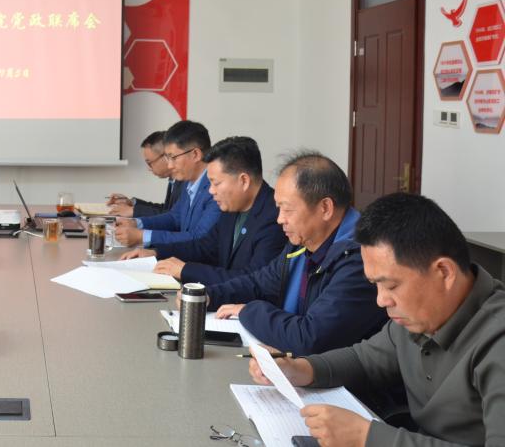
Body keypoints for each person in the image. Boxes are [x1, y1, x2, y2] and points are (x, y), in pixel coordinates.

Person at [249, 193, 505, 447]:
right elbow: (364, 360)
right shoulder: (419, 316)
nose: (381, 301)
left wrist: (366, 437)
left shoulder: (496, 338)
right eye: (375, 285)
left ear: (444, 272)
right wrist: (301, 369)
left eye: (391, 286)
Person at [206, 151, 387, 356]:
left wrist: (248, 311)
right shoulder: (302, 243)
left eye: (287, 210)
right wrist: (208, 296)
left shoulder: (360, 259)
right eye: (278, 208)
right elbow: (259, 283)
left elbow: (309, 338)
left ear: (325, 208)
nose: (279, 219)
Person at [120, 136, 285, 285]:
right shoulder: (233, 206)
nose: (211, 191)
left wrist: (185, 270)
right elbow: (204, 247)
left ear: (243, 180)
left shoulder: (275, 217)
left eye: (216, 183)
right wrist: (156, 253)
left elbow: (253, 279)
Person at [113, 120, 221, 248]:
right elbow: (175, 217)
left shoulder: (215, 189)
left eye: (173, 158)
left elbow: (199, 238)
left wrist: (142, 236)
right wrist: (136, 223)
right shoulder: (189, 182)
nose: (169, 165)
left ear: (195, 154)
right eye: (167, 158)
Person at [106, 130, 186, 217]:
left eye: (149, 163)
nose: (149, 168)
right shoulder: (173, 179)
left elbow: (175, 217)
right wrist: (131, 203)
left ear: (166, 156)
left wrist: (134, 211)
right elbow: (166, 209)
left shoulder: (185, 180)